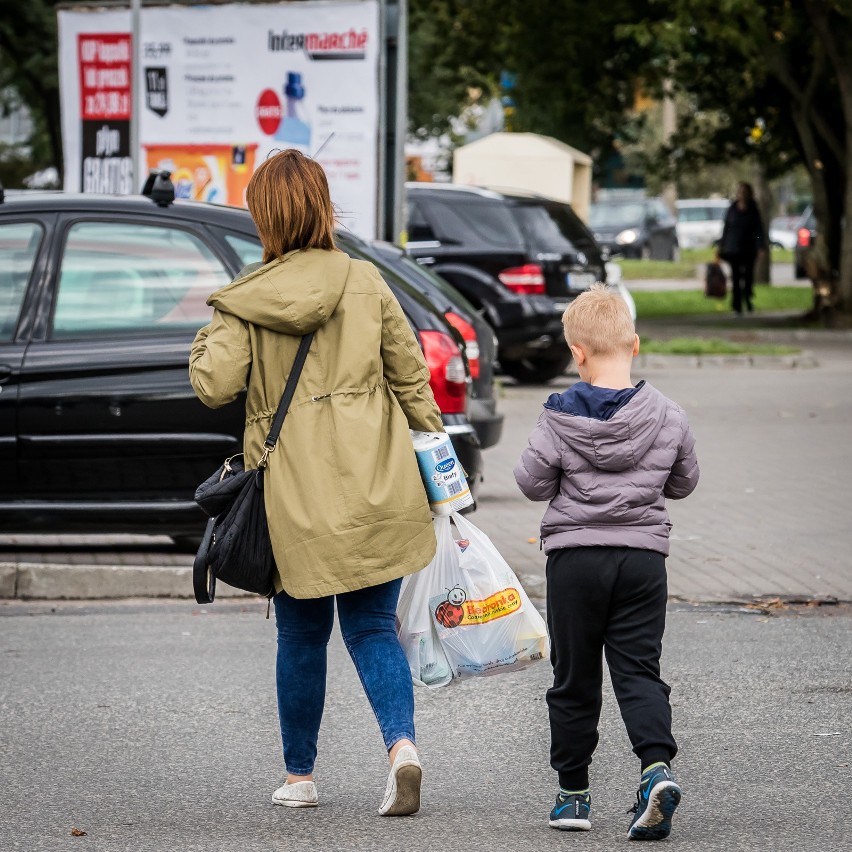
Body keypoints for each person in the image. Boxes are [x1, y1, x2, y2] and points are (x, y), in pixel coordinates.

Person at [189, 149, 444, 816]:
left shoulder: (246, 294)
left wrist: (212, 319)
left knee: (301, 637)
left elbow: (213, 386)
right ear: (323, 206)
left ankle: (300, 778)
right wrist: (443, 470)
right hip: (380, 483)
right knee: (372, 629)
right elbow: (411, 377)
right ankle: (402, 750)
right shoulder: (366, 279)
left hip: (294, 497)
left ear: (265, 216)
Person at [513, 284, 699, 840]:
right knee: (639, 671)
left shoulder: (558, 415)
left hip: (575, 562)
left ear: (578, 353)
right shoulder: (668, 413)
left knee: (574, 677)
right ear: (634, 344)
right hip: (642, 561)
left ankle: (573, 795)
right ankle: (655, 771)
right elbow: (685, 482)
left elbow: (530, 482)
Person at [717, 181, 766, 315]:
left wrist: (760, 246)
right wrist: (722, 244)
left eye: (744, 192)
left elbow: (758, 230)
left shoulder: (753, 209)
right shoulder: (732, 209)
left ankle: (748, 298)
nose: (742, 194)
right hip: (733, 248)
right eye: (740, 192)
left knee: (748, 277)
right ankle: (736, 305)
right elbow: (726, 228)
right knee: (736, 277)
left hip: (749, 249)